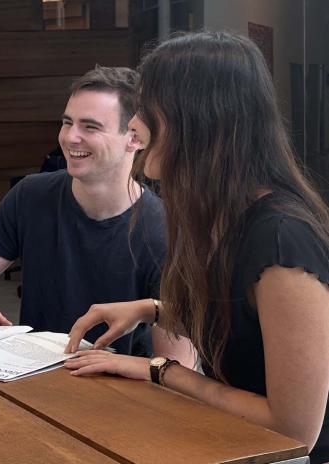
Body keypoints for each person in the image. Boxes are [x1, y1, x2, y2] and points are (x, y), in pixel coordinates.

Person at [65, 31, 329, 461]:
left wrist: (159, 370)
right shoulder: (223, 216)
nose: (133, 124)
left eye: (146, 108)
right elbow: (244, 323)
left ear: (197, 117)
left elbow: (294, 429)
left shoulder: (282, 240)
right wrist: (151, 309)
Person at [0, 66, 193, 362]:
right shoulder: (31, 195)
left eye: (90, 127)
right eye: (67, 122)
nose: (70, 137)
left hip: (115, 395)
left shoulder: (163, 230)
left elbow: (176, 368)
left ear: (134, 138)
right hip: (29, 379)